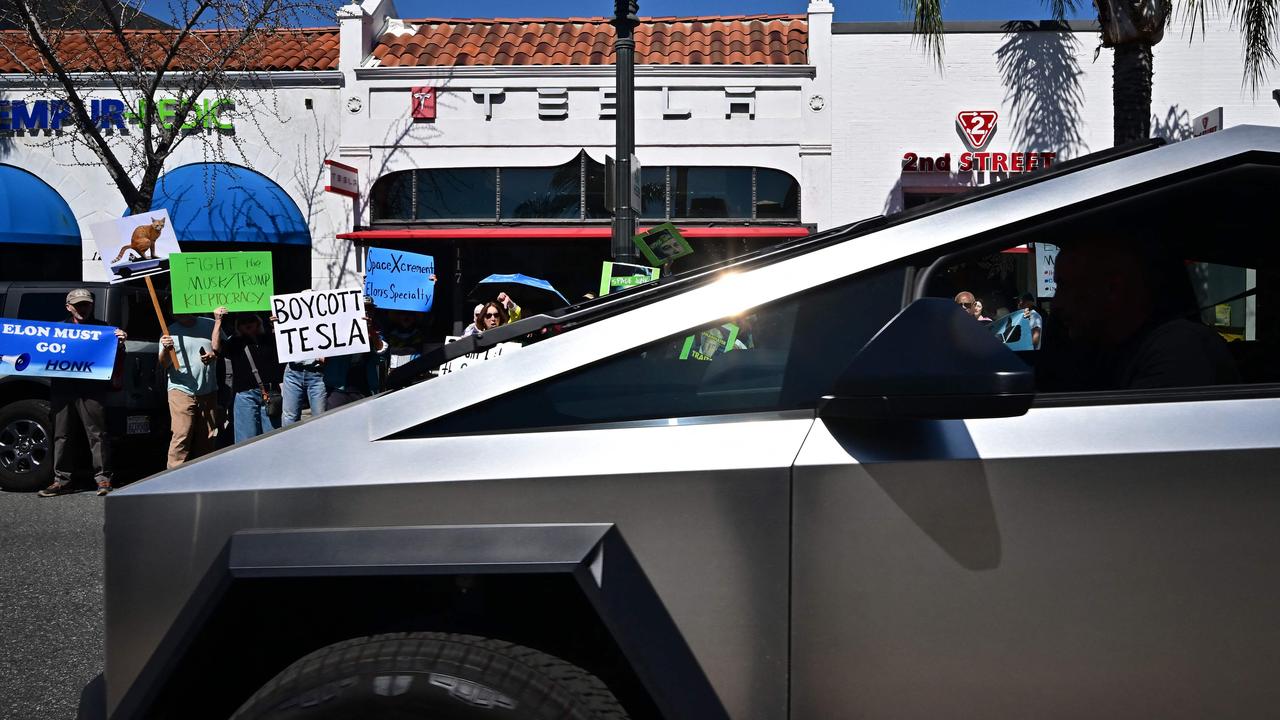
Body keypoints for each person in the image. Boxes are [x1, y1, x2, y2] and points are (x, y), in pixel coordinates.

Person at [1052, 236, 1239, 390]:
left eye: (1065, 286)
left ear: (1112, 289)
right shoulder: (1105, 351)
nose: (1056, 304)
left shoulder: (1178, 348)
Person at [38, 289, 126, 497]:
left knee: (97, 433)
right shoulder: (57, 330)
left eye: (86, 304)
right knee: (62, 435)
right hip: (63, 387)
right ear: (69, 307)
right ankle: (61, 481)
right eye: (78, 305)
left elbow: (116, 359)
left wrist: (120, 344)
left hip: (91, 389)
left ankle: (103, 479)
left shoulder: (105, 330)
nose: (83, 309)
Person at [159, 312, 220, 467]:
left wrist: (213, 354)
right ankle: (174, 476)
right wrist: (166, 349)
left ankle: (204, 474)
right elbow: (164, 364)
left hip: (208, 389)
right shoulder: (169, 332)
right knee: (182, 434)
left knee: (208, 436)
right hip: (181, 389)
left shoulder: (209, 324)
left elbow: (220, 348)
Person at [212, 308, 282, 442]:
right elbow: (215, 347)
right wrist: (218, 321)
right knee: (246, 441)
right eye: (243, 322)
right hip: (246, 396)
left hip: (271, 394)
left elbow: (286, 341)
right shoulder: (234, 343)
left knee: (273, 439)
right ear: (238, 325)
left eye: (251, 320)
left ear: (258, 322)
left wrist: (277, 324)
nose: (248, 324)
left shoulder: (269, 338)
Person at [323, 301, 386, 410]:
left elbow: (381, 351)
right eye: (363, 309)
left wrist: (370, 331)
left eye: (370, 309)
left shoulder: (376, 330)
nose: (366, 313)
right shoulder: (339, 328)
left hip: (363, 388)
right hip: (338, 387)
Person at [280, 357, 326, 427]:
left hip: (318, 373)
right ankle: (289, 438)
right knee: (289, 418)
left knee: (320, 417)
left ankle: (319, 437)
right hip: (293, 371)